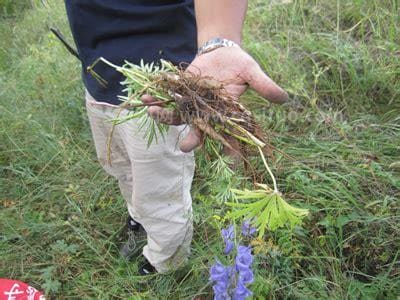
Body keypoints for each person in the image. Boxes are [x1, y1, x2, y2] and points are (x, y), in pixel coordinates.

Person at [65, 0, 288, 275]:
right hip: (99, 79)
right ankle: (138, 217)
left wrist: (218, 40)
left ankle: (166, 262)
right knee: (120, 167)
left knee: (161, 191)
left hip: (163, 90)